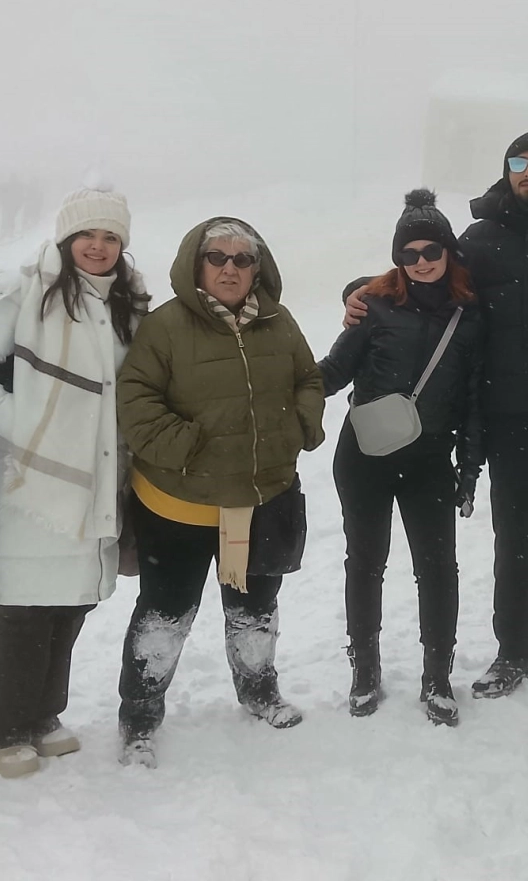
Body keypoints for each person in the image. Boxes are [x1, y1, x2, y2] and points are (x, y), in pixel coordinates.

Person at [344, 132, 528, 704]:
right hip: (508, 418)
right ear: (506, 170)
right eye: (519, 163)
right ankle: (514, 652)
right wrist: (358, 293)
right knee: (515, 542)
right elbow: (422, 274)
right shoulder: (481, 240)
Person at [0, 188, 150, 778]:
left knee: (71, 600)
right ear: (66, 239)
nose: (97, 246)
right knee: (25, 605)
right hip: (29, 480)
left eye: (110, 237)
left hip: (99, 472)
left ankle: (41, 715)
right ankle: (0, 730)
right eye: (87, 235)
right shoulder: (23, 292)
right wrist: (23, 424)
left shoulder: (130, 305)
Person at [116, 217, 325, 766]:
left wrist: (298, 425)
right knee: (165, 615)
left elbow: (308, 379)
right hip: (179, 503)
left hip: (262, 498)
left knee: (255, 609)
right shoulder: (165, 326)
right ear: (197, 263)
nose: (230, 268)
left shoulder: (278, 322)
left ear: (257, 268)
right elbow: (135, 398)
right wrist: (187, 446)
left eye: (242, 259)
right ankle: (139, 718)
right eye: (217, 257)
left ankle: (259, 692)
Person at [319, 190, 484, 726]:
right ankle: (364, 670)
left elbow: (475, 403)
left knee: (437, 569)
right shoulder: (375, 306)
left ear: (448, 252)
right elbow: (332, 373)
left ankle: (437, 676)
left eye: (431, 250)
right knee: (365, 563)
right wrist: (274, 377)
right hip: (364, 455)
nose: (421, 262)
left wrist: (469, 470)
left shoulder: (470, 316)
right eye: (408, 254)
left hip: (430, 459)